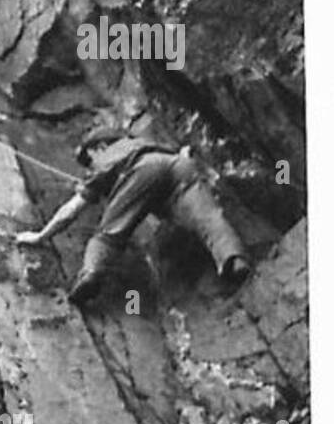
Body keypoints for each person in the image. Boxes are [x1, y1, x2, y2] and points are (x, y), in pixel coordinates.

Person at [15, 129, 250, 304]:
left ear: (98, 147)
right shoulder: (143, 141)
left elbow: (71, 211)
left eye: (88, 160)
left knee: (108, 233)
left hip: (142, 172)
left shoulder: (106, 159)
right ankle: (234, 259)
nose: (89, 167)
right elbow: (183, 153)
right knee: (209, 218)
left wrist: (40, 236)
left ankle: (91, 274)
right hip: (178, 165)